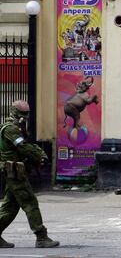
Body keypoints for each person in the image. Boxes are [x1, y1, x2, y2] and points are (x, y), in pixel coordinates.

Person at [0, 101, 59, 248]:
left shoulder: (17, 128)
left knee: (10, 207)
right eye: (23, 113)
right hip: (14, 172)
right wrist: (39, 155)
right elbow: (23, 147)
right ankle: (41, 237)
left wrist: (38, 153)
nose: (25, 117)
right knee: (30, 203)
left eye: (27, 113)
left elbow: (26, 145)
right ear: (13, 111)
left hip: (15, 171)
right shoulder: (10, 129)